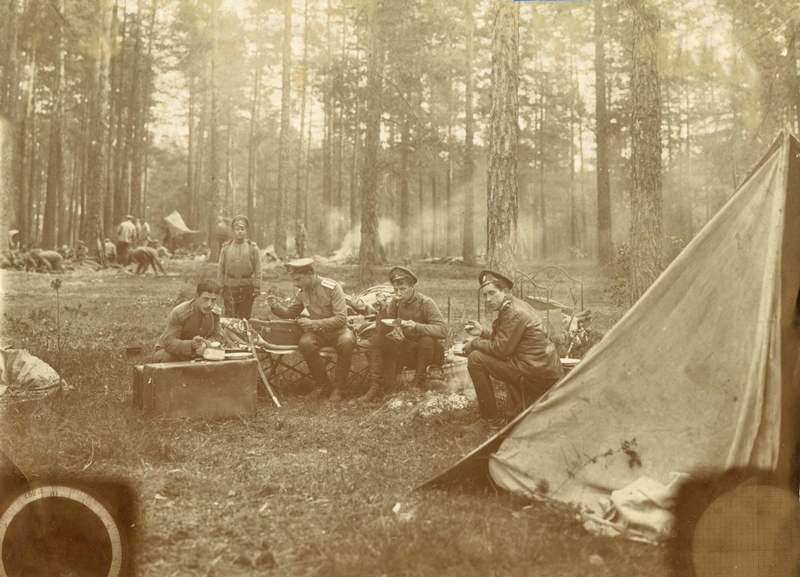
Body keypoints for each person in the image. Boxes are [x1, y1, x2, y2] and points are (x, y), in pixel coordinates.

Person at [463, 269, 564, 430]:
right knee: (479, 355)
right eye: (485, 295)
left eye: (492, 293)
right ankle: (508, 411)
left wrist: (475, 342)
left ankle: (490, 420)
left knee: (475, 358)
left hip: (535, 374)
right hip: (540, 369)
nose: (487, 299)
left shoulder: (512, 312)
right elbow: (506, 340)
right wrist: (482, 332)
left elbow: (500, 350)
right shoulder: (513, 305)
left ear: (505, 291)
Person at [267, 258, 355, 402]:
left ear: (309, 274)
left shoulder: (332, 287)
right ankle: (323, 385)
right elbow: (291, 313)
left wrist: (312, 324)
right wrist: (275, 306)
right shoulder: (302, 292)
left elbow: (341, 319)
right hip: (319, 333)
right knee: (305, 343)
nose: (296, 284)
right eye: (294, 280)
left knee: (346, 341)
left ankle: (339, 388)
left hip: (338, 331)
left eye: (298, 279)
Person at [357, 266, 448, 403]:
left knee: (426, 339)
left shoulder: (426, 303)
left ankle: (418, 383)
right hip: (410, 351)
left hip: (431, 353)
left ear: (412, 287)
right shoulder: (396, 302)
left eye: (402, 289)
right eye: (396, 289)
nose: (398, 293)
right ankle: (376, 387)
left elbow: (443, 330)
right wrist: (382, 309)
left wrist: (417, 326)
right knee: (376, 340)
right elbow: (383, 331)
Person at [152, 280, 224, 363]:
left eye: (213, 300)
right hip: (170, 352)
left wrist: (205, 344)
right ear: (197, 296)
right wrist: (191, 345)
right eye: (206, 299)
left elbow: (218, 337)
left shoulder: (214, 313)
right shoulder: (180, 313)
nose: (209, 304)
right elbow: (169, 342)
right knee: (167, 358)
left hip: (197, 352)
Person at [217, 215, 262, 319]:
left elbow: (258, 268)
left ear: (246, 230)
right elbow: (220, 268)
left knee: (244, 317)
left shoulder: (253, 247)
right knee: (230, 316)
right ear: (233, 230)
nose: (240, 231)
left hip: (247, 286)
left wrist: (257, 286)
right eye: (237, 229)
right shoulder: (226, 248)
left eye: (242, 229)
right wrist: (220, 286)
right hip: (230, 285)